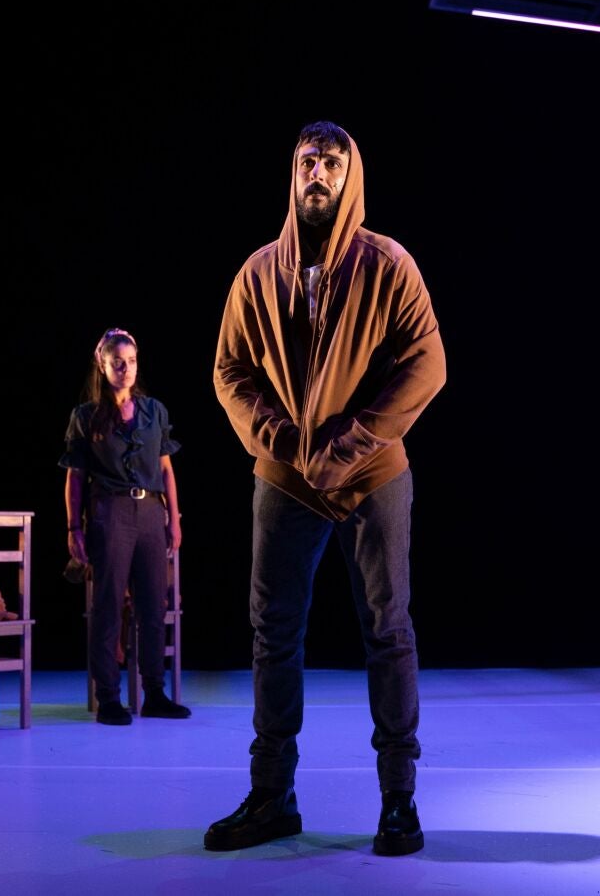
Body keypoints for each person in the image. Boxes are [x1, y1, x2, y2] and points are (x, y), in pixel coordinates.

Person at [205, 121, 446, 857]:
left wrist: (352, 444)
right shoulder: (256, 273)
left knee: (389, 631)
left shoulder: (389, 263)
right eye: (308, 160)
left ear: (351, 176)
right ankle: (272, 797)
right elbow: (229, 371)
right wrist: (282, 441)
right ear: (293, 172)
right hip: (286, 478)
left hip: (372, 473)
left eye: (332, 162)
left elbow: (428, 362)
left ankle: (399, 799)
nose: (319, 172)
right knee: (273, 634)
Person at [58, 327, 190, 725]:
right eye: (117, 362)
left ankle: (154, 694)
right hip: (110, 512)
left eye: (131, 361)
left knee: (153, 605)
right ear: (102, 365)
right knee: (109, 604)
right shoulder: (86, 416)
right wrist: (74, 528)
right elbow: (75, 477)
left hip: (150, 512)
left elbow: (166, 469)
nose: (125, 368)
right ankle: (109, 698)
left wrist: (174, 518)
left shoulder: (153, 411)